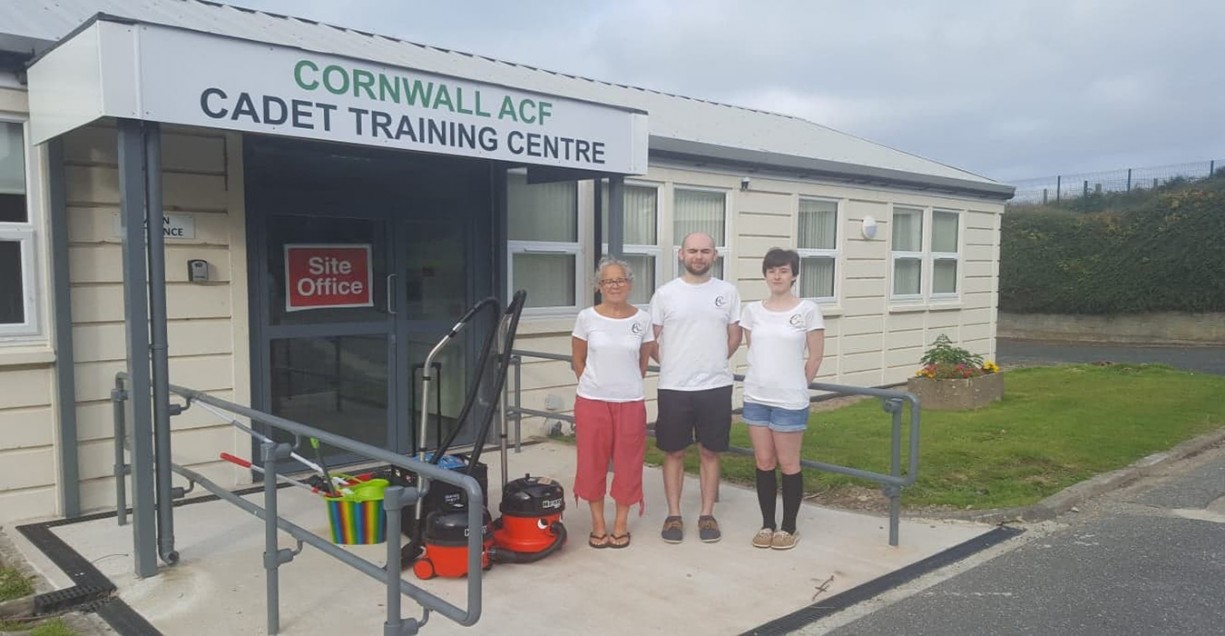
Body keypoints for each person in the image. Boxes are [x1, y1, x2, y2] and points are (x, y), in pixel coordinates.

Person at [649, 232, 741, 543]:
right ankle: (674, 515)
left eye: (705, 251)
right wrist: (674, 361)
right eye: (692, 251)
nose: (698, 256)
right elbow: (652, 339)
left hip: (715, 386)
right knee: (673, 451)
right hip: (674, 386)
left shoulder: (728, 292)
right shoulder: (665, 294)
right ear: (681, 255)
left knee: (710, 452)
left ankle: (706, 514)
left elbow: (734, 336)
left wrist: (712, 361)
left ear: (715, 255)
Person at [739, 248, 825, 550]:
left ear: (794, 275)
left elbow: (815, 357)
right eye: (772, 270)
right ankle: (767, 524)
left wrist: (798, 386)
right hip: (756, 397)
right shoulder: (752, 311)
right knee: (764, 462)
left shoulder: (807, 310)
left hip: (790, 400)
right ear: (765, 274)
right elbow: (756, 351)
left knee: (788, 464)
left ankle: (788, 527)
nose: (777, 276)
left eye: (784, 270)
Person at [571, 257, 654, 549]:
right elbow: (578, 359)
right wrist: (594, 382)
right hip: (592, 401)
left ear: (630, 284)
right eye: (608, 280)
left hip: (630, 402)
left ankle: (620, 524)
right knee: (591, 462)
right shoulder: (586, 317)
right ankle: (598, 524)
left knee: (628, 464)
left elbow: (642, 363)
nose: (614, 285)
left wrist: (623, 384)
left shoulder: (642, 320)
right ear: (599, 286)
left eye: (620, 280)